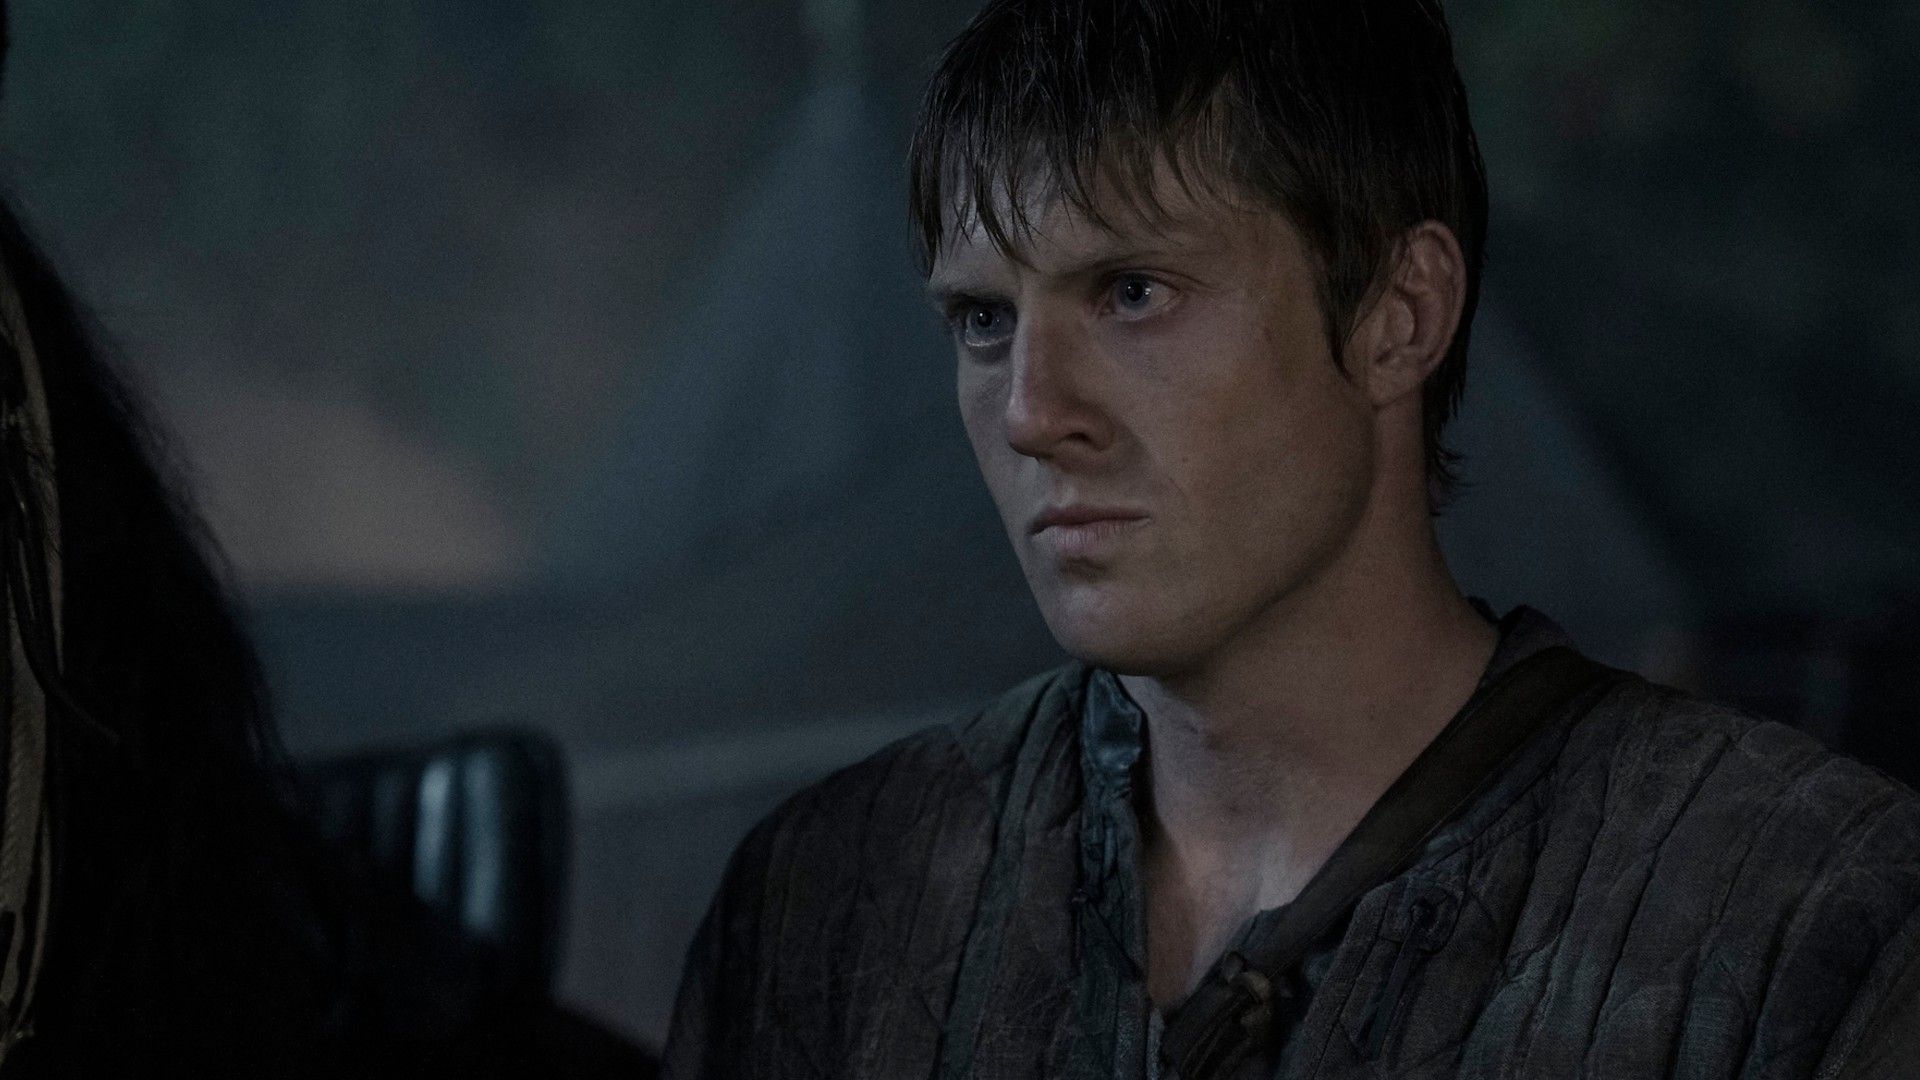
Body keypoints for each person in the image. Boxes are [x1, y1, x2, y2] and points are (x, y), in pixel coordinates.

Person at [661, 1, 1920, 1077]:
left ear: (1399, 315)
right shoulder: (837, 908)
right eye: (985, 322)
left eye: (1134, 293)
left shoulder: (1807, 920)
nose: (1034, 413)